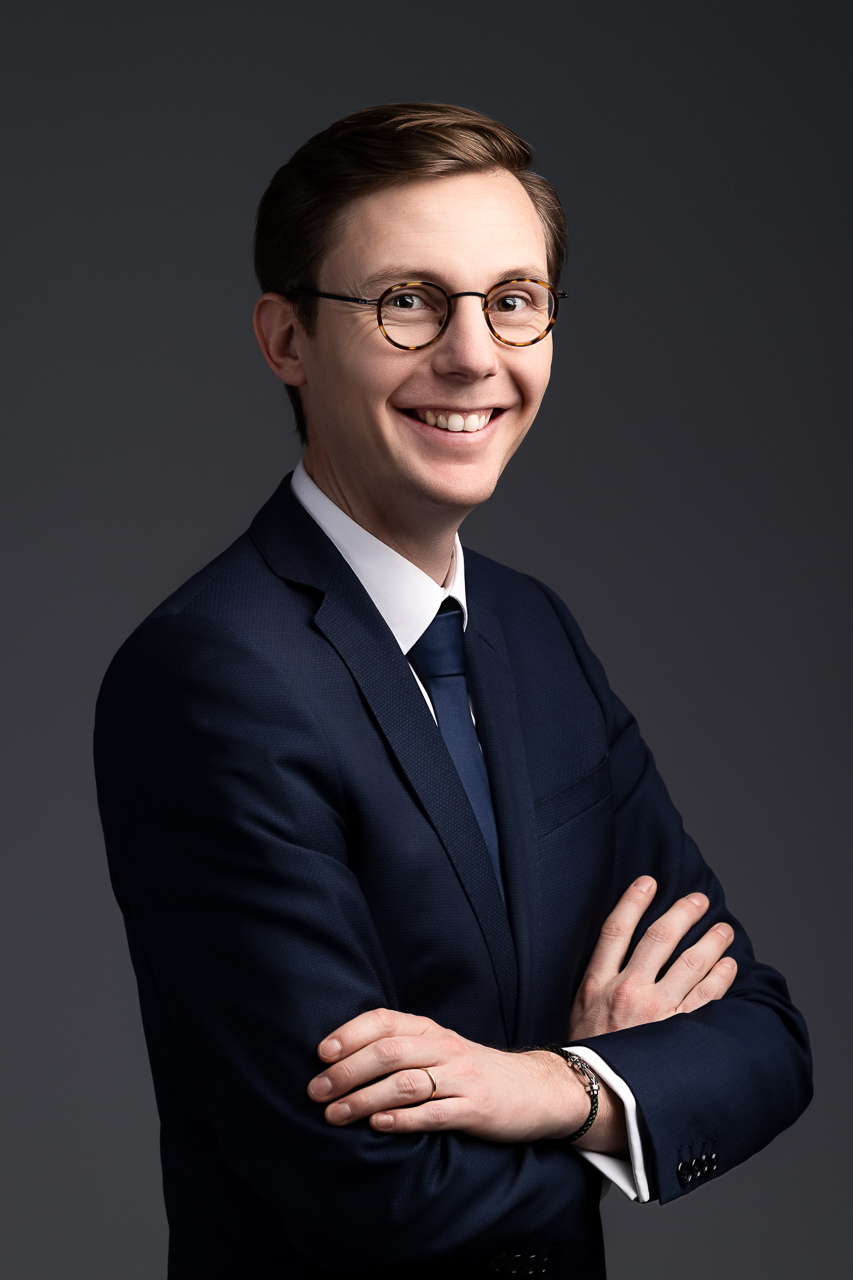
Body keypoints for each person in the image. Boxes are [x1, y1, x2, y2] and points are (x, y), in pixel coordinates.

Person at [94, 103, 812, 1280]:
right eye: (408, 300)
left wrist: (548, 1084)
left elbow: (767, 1039)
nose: (473, 355)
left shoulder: (533, 632)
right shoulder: (209, 678)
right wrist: (624, 1092)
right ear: (286, 338)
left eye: (512, 299)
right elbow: (378, 1192)